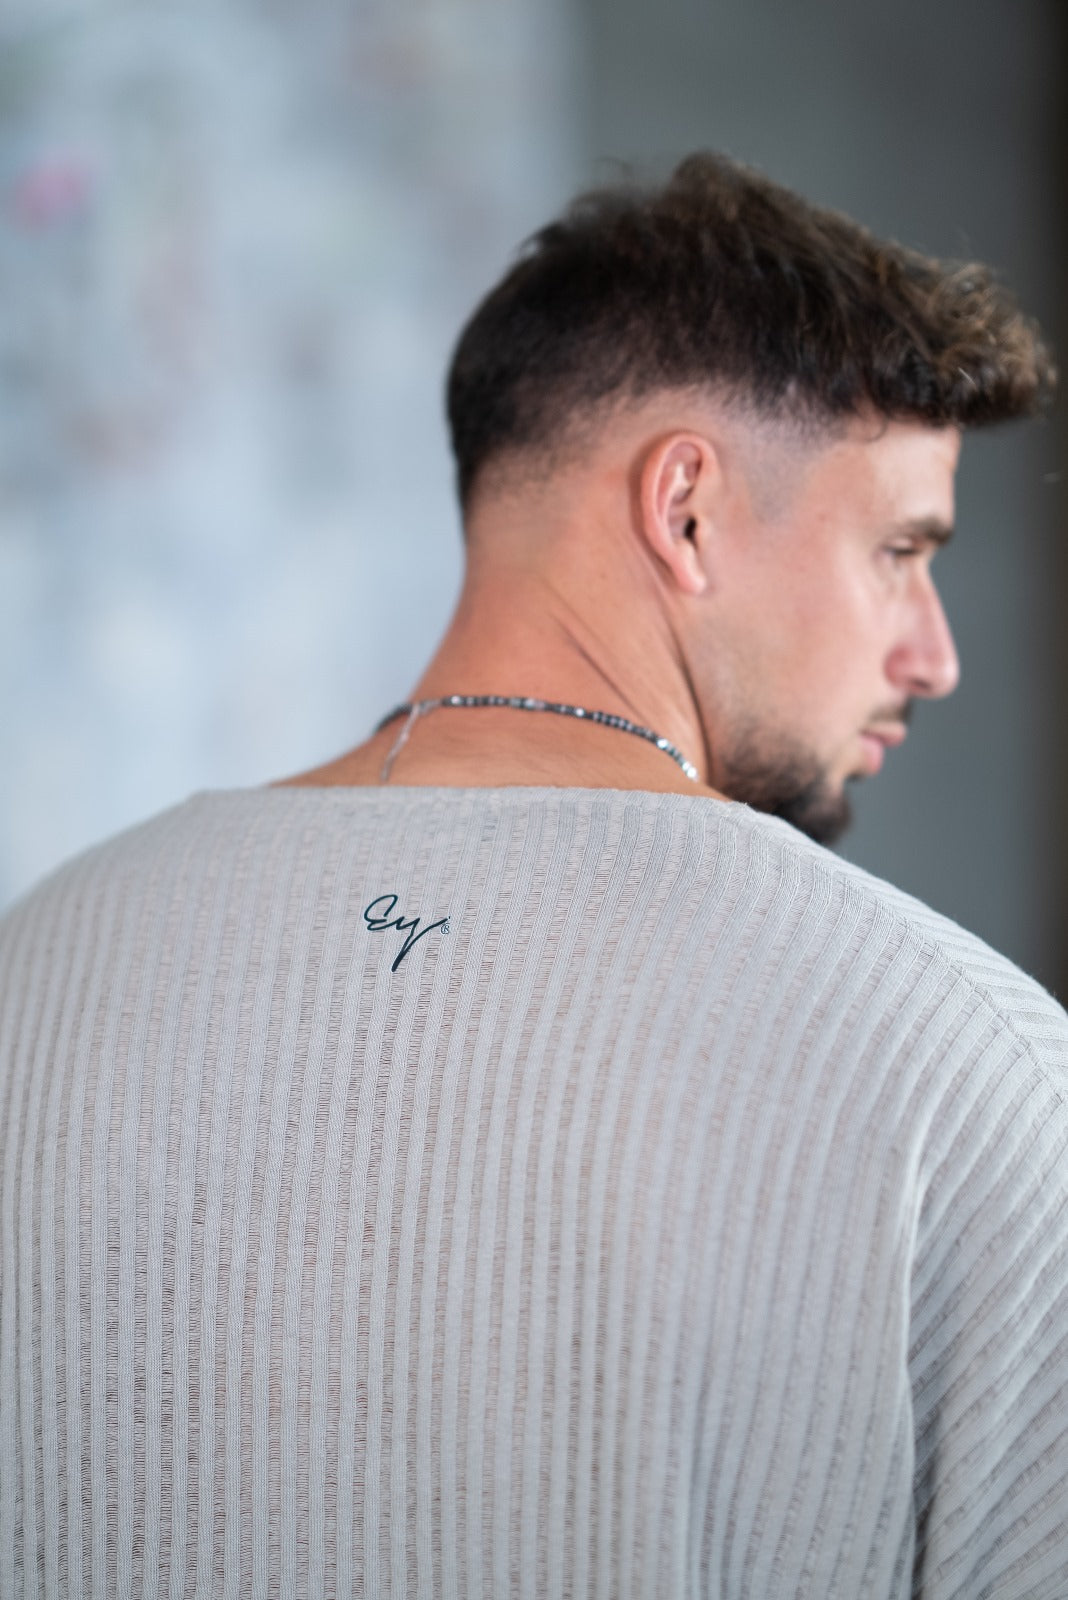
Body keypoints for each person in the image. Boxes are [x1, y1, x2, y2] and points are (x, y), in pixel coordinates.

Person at [1, 153, 1066, 1599]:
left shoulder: (39, 967)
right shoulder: (971, 1078)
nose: (932, 655)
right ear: (685, 510)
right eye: (898, 550)